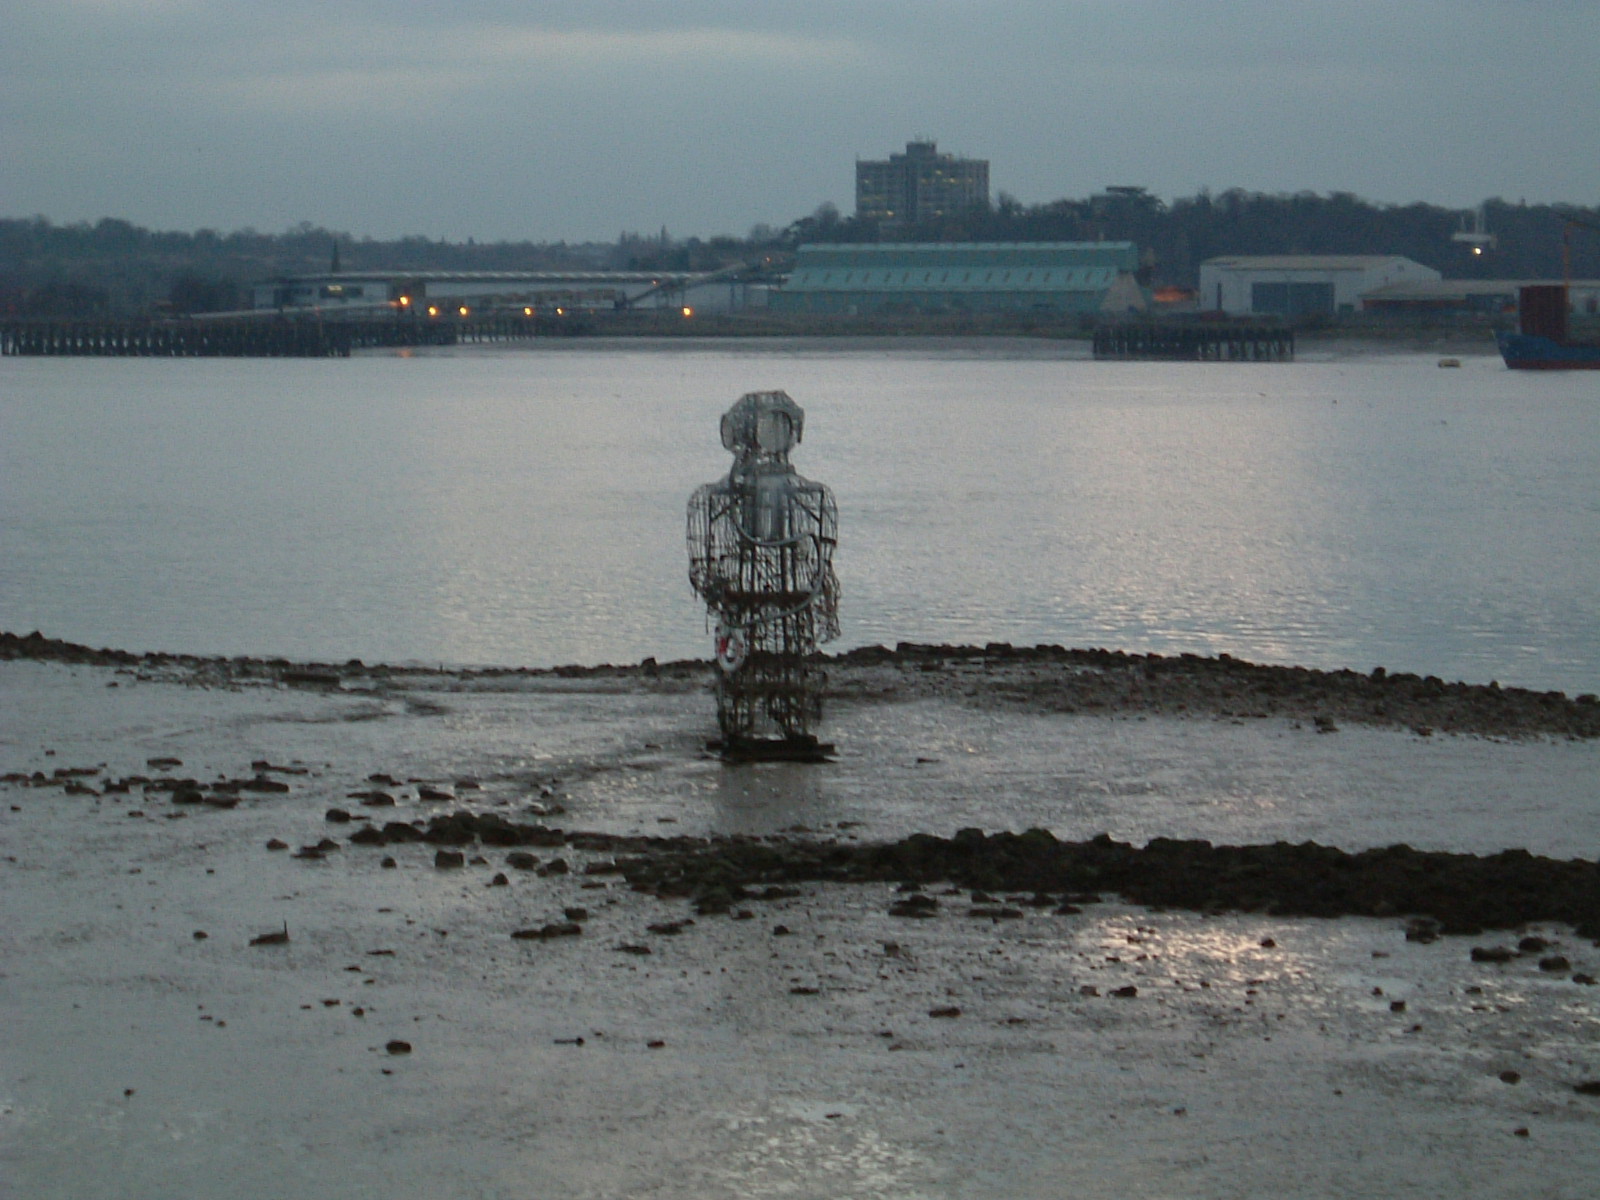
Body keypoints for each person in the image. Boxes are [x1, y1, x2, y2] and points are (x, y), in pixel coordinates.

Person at [687, 391, 839, 759]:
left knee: (793, 668)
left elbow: (824, 556)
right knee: (741, 670)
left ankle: (793, 724)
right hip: (741, 606)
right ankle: (741, 724)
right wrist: (718, 591)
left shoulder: (814, 496)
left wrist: (819, 597)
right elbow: (701, 561)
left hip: (792, 604)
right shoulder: (713, 498)